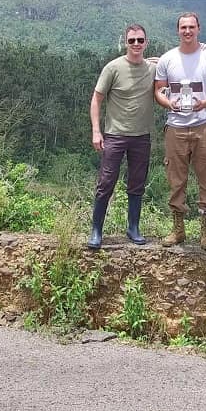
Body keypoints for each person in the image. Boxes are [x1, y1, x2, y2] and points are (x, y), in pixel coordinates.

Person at [154, 12, 206, 251]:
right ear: (178, 30)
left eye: (191, 27)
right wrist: (168, 103)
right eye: (183, 27)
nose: (187, 31)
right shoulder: (167, 59)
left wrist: (204, 103)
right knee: (176, 180)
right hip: (176, 126)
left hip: (203, 125)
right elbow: (159, 90)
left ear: (199, 28)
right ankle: (178, 229)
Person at [88, 23, 157, 249]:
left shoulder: (153, 68)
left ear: (146, 42)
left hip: (141, 135)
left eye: (140, 40)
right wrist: (97, 131)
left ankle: (133, 227)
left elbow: (177, 62)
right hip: (115, 135)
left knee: (137, 183)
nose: (136, 44)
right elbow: (97, 99)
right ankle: (96, 230)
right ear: (125, 42)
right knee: (106, 182)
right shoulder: (113, 68)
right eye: (131, 40)